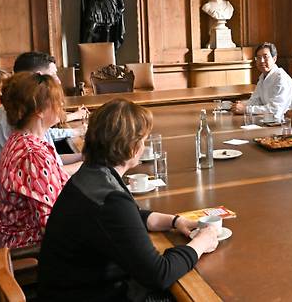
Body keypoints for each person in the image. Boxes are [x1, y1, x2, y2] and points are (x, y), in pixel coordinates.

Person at [38, 99, 218, 302]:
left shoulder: (91, 175)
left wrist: (175, 221)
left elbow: (126, 218)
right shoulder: (110, 199)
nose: (144, 144)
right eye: (143, 139)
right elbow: (159, 274)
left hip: (67, 289)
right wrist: (201, 243)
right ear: (132, 147)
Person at [0, 52, 86, 187]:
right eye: (53, 75)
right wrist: (87, 165)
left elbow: (51, 163)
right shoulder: (30, 149)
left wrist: (81, 158)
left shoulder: (27, 126)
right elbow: (48, 174)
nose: (58, 80)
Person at [0, 72, 70, 248]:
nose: (61, 105)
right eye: (56, 100)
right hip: (31, 252)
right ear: (39, 110)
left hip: (24, 244)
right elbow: (53, 226)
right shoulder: (32, 154)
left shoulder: (21, 139)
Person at [231, 42, 292, 120]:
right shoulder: (263, 76)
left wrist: (246, 109)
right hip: (268, 120)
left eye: (265, 57)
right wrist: (240, 105)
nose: (262, 61)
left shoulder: (281, 78)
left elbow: (275, 109)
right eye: (258, 58)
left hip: (282, 122)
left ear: (274, 59)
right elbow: (255, 100)